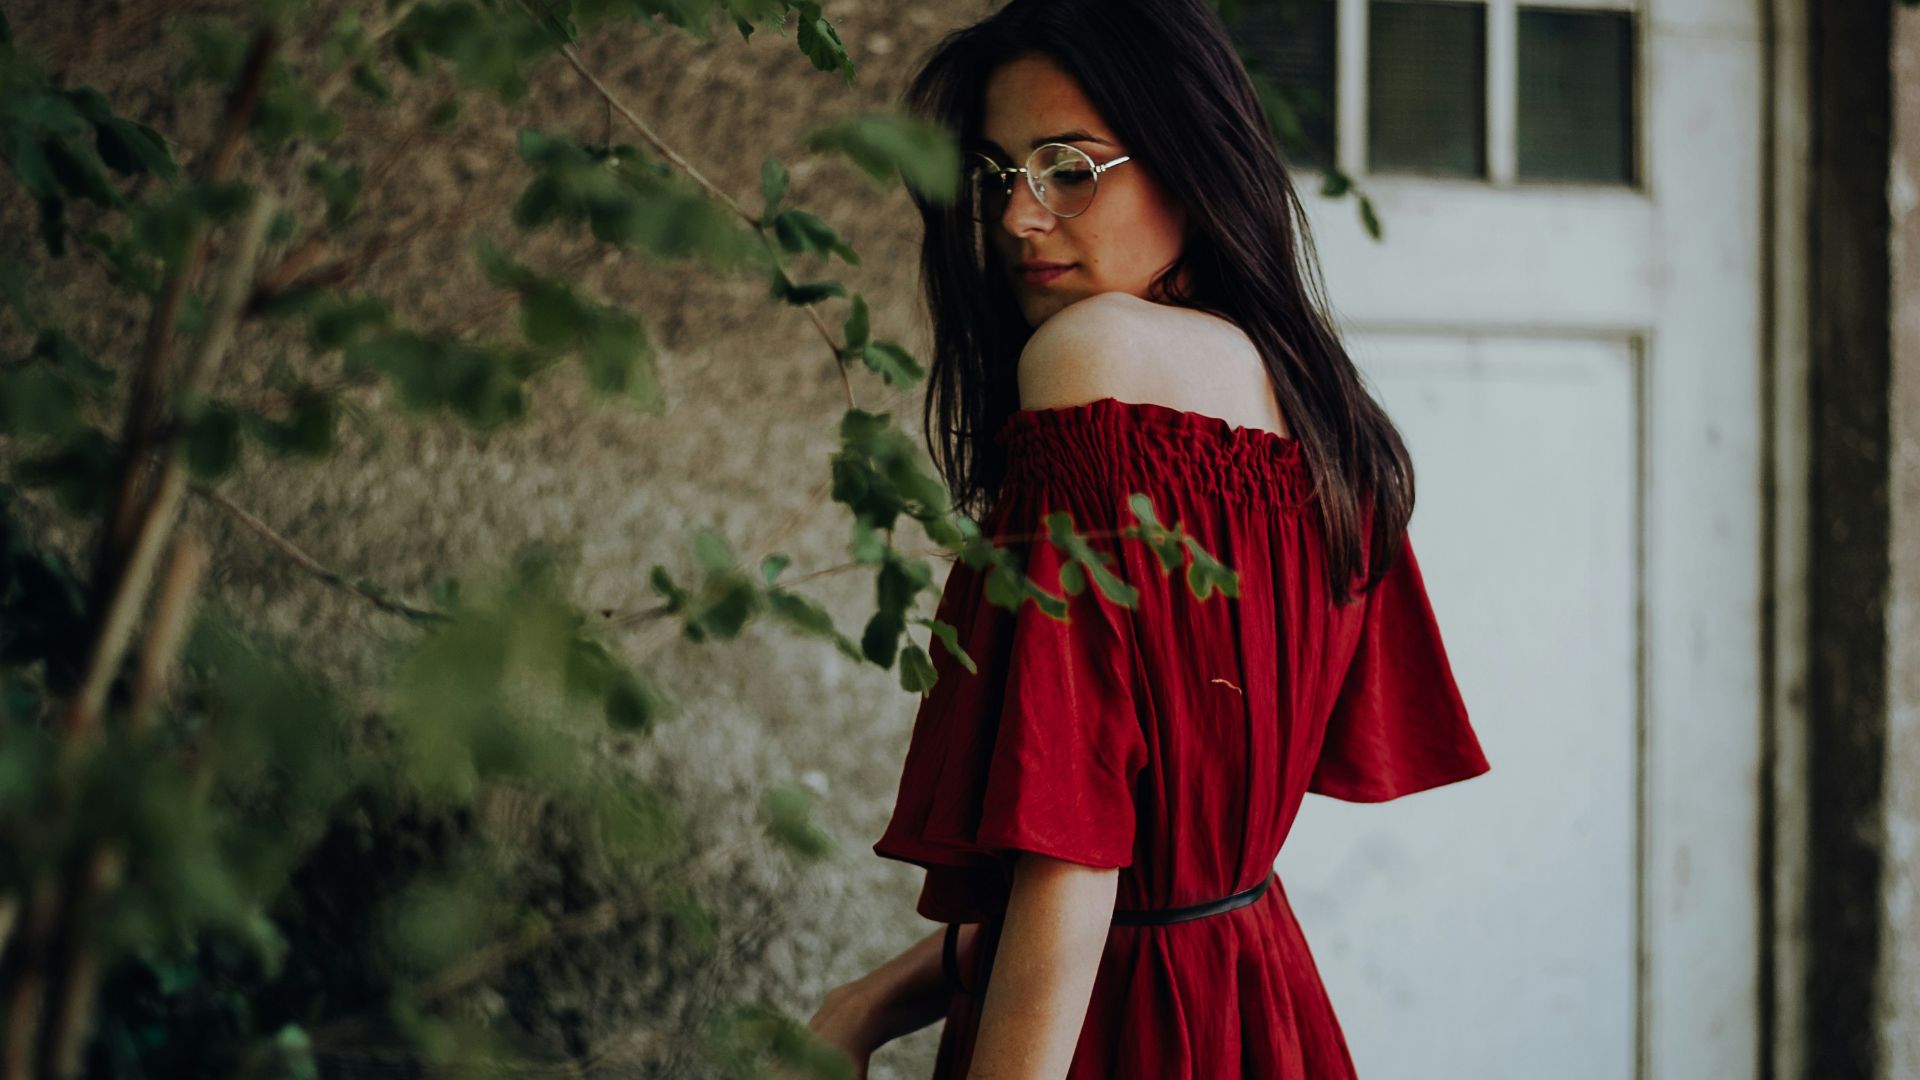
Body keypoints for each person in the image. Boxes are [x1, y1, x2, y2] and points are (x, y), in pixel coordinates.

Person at [803, 1, 1491, 1076]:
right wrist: (875, 1000)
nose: (1020, 218)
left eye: (1070, 168)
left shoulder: (1092, 357)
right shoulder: (1315, 404)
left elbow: (1076, 854)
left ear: (1190, 160)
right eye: (996, 174)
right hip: (1254, 995)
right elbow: (1159, 855)